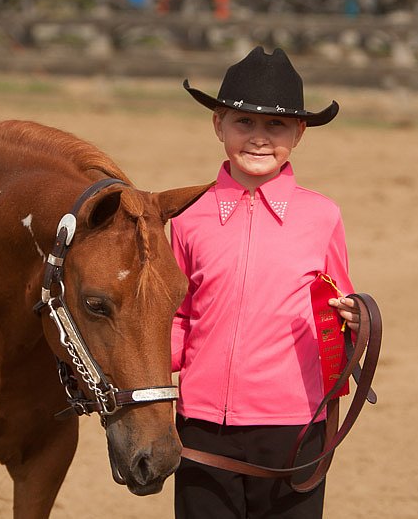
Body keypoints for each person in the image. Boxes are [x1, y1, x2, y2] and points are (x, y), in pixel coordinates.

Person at [170, 46, 363, 519]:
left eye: (275, 125)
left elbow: (335, 305)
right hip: (201, 427)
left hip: (295, 428)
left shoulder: (323, 216)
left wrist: (355, 322)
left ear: (299, 132)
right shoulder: (186, 217)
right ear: (218, 124)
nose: (258, 138)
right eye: (243, 122)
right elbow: (176, 316)